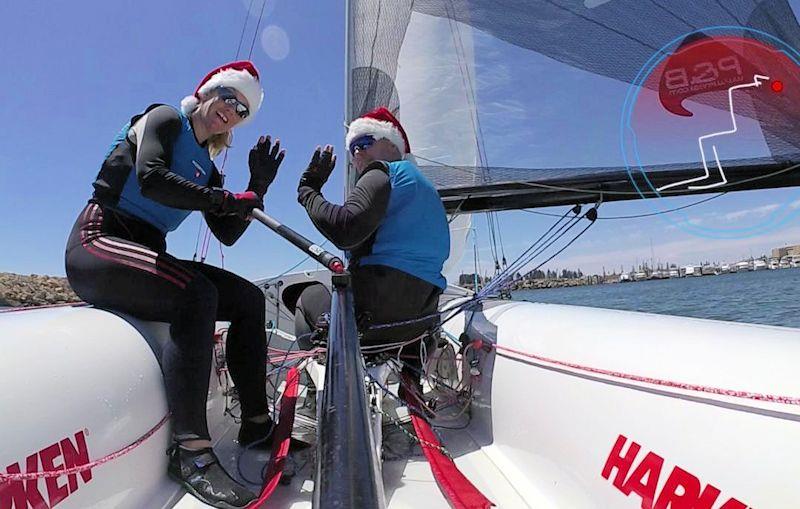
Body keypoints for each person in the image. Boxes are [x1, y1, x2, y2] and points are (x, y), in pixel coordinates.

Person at [64, 61, 283, 508]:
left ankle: (256, 423)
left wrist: (255, 187)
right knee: (195, 294)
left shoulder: (209, 166)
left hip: (148, 252)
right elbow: (152, 178)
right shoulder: (166, 118)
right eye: (229, 97)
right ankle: (192, 453)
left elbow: (227, 233)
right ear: (206, 93)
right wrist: (223, 198)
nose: (233, 111)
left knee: (246, 299)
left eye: (243, 110)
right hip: (100, 242)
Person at [293, 106, 450, 396]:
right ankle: (411, 376)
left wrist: (308, 191)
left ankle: (316, 395)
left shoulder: (385, 171)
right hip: (419, 325)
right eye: (353, 149)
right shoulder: (426, 190)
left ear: (391, 145)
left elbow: (345, 228)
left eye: (365, 143)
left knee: (307, 296)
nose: (357, 155)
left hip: (372, 321)